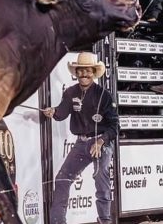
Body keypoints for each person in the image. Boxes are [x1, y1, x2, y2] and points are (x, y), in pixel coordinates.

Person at [42, 52, 118, 224]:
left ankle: (105, 221)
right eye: (81, 71)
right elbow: (61, 112)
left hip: (101, 143)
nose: (84, 74)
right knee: (62, 179)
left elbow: (115, 127)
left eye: (88, 71)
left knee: (100, 177)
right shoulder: (70, 92)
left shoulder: (104, 96)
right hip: (81, 144)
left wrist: (101, 141)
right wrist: (53, 112)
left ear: (93, 72)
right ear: (76, 73)